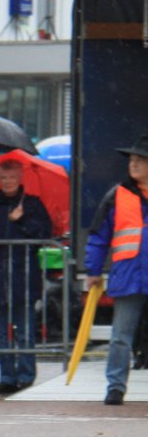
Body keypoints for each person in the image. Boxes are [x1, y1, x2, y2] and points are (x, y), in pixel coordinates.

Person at [0, 159, 53, 394]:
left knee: (25, 331)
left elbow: (45, 234)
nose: (8, 182)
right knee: (1, 333)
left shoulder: (33, 205)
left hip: (24, 278)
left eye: (12, 178)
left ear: (20, 179)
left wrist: (23, 220)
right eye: (4, 178)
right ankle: (7, 376)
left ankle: (26, 375)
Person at [83, 132, 148, 405]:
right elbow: (99, 236)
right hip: (129, 276)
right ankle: (115, 387)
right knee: (121, 336)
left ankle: (116, 386)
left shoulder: (117, 195)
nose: (133, 163)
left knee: (121, 335)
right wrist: (93, 270)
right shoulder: (117, 195)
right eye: (131, 159)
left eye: (140, 159)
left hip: (128, 275)